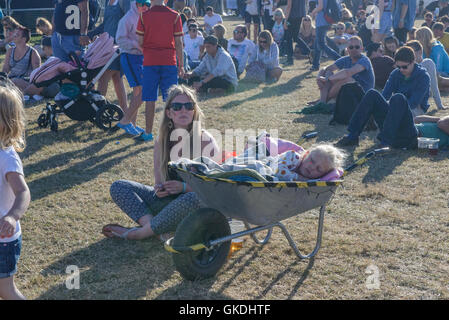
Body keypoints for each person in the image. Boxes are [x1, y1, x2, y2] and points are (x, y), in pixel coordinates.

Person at [102, 85, 220, 240]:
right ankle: (153, 227)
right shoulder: (162, 140)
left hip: (195, 205)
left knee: (192, 198)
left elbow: (214, 189)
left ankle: (139, 234)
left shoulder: (206, 141)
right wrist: (159, 188)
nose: (183, 110)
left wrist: (184, 187)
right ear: (169, 113)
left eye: (188, 106)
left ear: (194, 111)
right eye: (177, 107)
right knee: (119, 186)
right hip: (166, 204)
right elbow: (158, 182)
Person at [336, 46, 430, 148]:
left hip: (414, 111)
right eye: (398, 67)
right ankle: (353, 135)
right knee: (372, 93)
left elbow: (413, 103)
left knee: (398, 98)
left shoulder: (423, 76)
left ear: (413, 62)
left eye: (404, 67)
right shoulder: (395, 74)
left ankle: (386, 141)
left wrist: (392, 106)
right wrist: (382, 106)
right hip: (395, 108)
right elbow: (385, 95)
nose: (401, 70)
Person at [136, 0, 185, 142]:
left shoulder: (144, 16)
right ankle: (172, 133)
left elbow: (139, 41)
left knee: (150, 98)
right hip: (169, 60)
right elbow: (179, 43)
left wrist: (149, 50)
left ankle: (148, 133)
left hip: (150, 61)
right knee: (171, 99)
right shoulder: (175, 16)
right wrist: (181, 65)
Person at [0, 81, 30, 300]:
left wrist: (12, 216)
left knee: (5, 290)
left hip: (3, 238)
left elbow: (23, 192)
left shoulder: (7, 157)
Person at [114, 0, 148, 136]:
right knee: (140, 90)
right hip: (129, 56)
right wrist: (136, 44)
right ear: (135, 4)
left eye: (147, 4)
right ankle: (126, 121)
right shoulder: (127, 18)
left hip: (141, 56)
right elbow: (120, 39)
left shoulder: (145, 17)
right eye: (141, 4)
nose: (144, 7)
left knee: (138, 91)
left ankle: (132, 123)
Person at [97, 0, 131, 133]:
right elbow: (105, 25)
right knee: (117, 78)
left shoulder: (124, 2)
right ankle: (125, 113)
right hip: (107, 45)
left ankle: (98, 111)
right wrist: (90, 33)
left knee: (104, 77)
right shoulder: (107, 2)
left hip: (118, 47)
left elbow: (129, 21)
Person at [312, 36, 374, 106]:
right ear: (347, 49)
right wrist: (319, 77)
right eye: (351, 47)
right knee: (328, 74)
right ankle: (323, 101)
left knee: (347, 80)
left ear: (362, 49)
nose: (354, 49)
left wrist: (328, 79)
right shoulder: (345, 59)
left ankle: (323, 101)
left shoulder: (364, 60)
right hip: (350, 92)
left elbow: (347, 72)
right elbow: (328, 68)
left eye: (357, 47)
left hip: (364, 94)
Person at [406, 40, 448, 109]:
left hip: (419, 98)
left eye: (411, 52)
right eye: (407, 52)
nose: (408, 54)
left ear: (420, 52)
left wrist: (440, 105)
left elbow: (433, 84)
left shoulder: (427, 63)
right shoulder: (405, 65)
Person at [270, 144, 346, 181]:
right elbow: (276, 170)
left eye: (319, 169)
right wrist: (300, 178)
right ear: (306, 154)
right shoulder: (292, 156)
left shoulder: (313, 183)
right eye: (312, 161)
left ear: (323, 175)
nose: (312, 167)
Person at [310, 0, 341, 71]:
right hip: (325, 20)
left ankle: (339, 59)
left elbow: (320, 7)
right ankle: (315, 65)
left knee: (321, 44)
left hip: (322, 21)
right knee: (317, 44)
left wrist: (313, 12)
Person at [283, 0, 307, 66]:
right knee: (295, 37)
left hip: (292, 16)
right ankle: (309, 52)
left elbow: (289, 6)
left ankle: (290, 60)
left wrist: (285, 20)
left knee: (289, 38)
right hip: (300, 15)